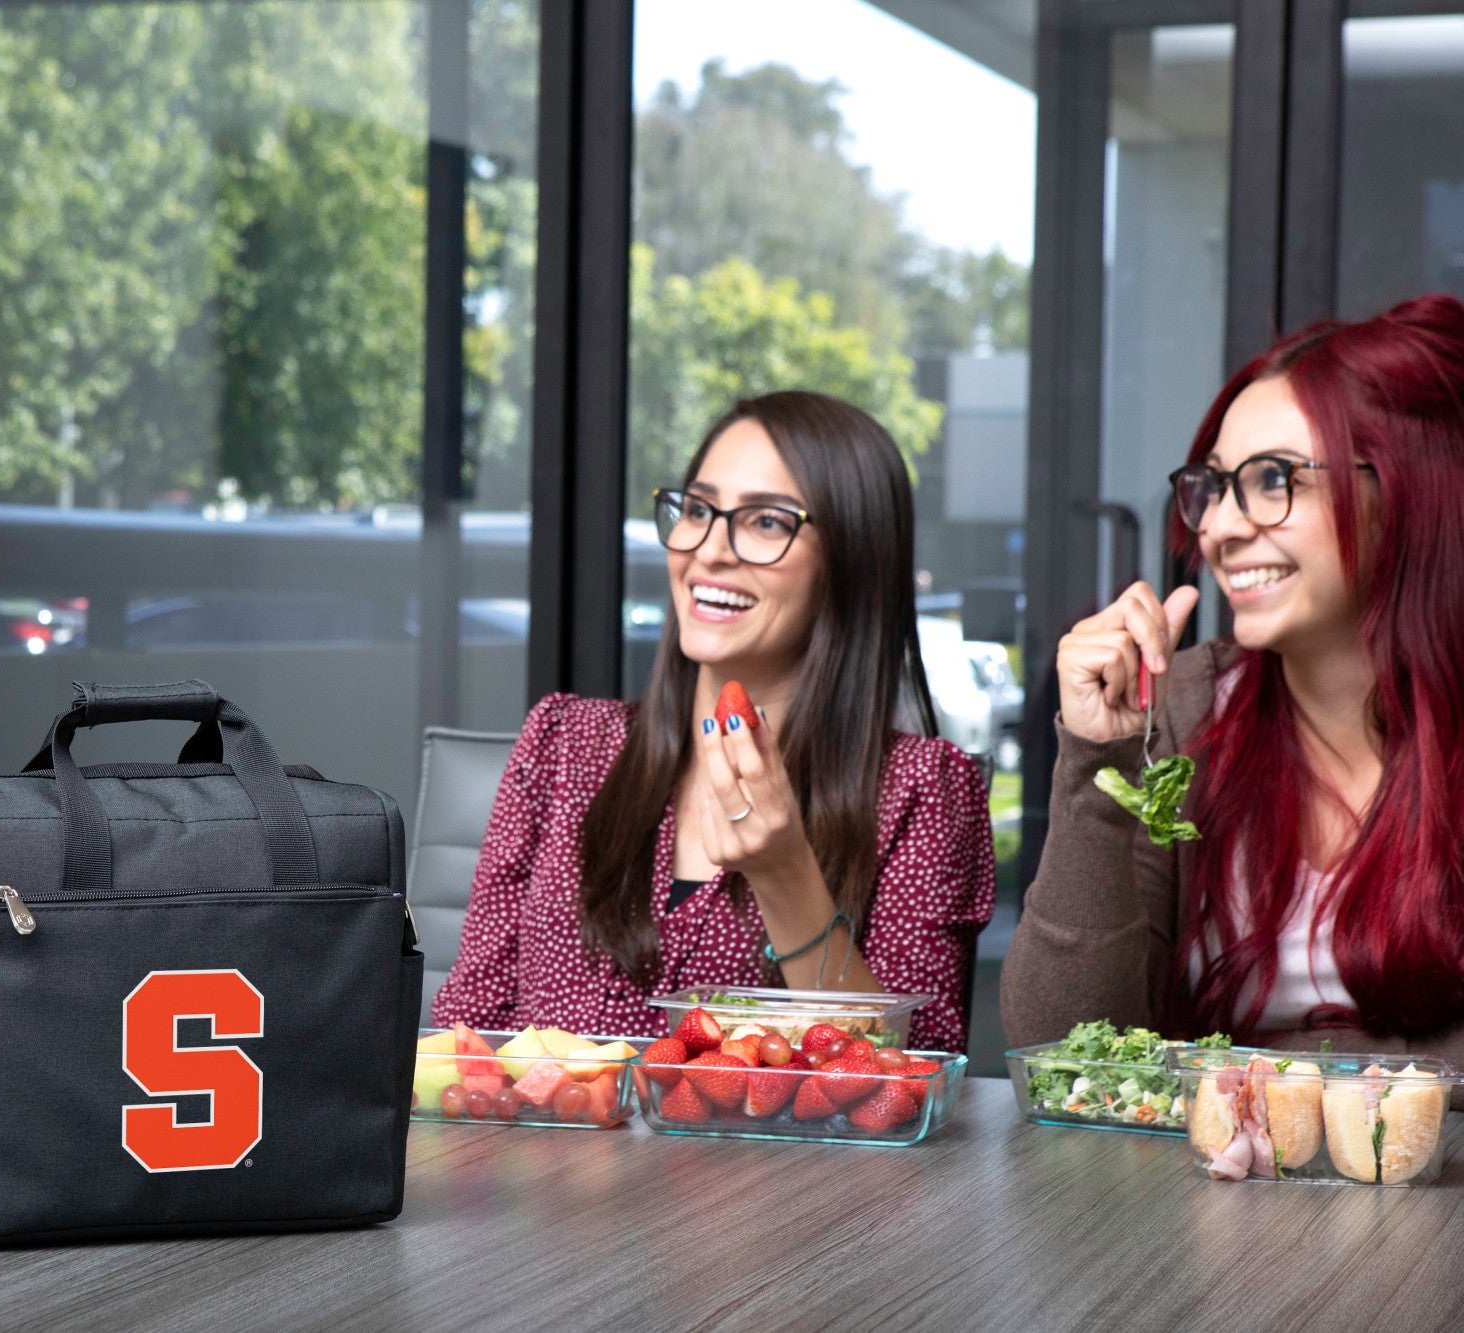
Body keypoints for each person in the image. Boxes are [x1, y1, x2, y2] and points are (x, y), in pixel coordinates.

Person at [432, 391, 997, 1051]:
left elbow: (909, 1079)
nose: (709, 550)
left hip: (775, 1160)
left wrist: (786, 875)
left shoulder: (924, 791)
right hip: (548, 1153)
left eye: (764, 522)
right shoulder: (564, 744)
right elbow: (463, 1038)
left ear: (851, 561)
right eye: (698, 509)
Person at [1003, 294, 1464, 1072]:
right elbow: (1064, 1052)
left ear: (1407, 490)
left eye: (1273, 478)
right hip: (1209, 1182)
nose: (1216, 526)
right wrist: (1097, 760)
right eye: (1213, 486)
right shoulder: (1180, 707)